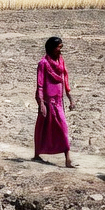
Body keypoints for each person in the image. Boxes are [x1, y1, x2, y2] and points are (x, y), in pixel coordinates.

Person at [33, 37, 76, 168]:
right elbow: (40, 85)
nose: (60, 50)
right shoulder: (43, 63)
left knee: (63, 128)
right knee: (42, 128)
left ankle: (67, 159)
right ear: (52, 48)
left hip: (58, 102)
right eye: (58, 47)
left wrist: (70, 98)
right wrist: (41, 104)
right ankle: (37, 154)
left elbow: (65, 80)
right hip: (47, 102)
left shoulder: (61, 62)